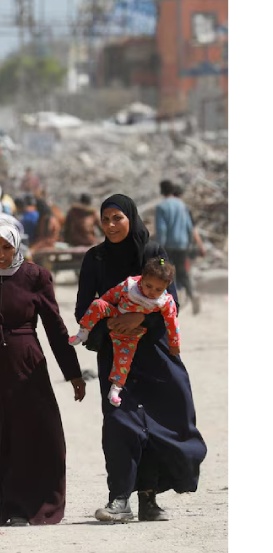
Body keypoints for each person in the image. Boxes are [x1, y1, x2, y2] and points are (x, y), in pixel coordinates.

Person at [0, 218, 86, 526]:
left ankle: (20, 506)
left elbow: (55, 328)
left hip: (24, 365)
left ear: (17, 245)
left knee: (28, 434)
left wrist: (73, 373)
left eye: (7, 247)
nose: (1, 255)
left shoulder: (36, 277)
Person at [75, 194, 206, 522]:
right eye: (105, 219)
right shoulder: (96, 258)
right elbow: (82, 308)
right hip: (116, 354)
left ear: (131, 217)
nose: (110, 225)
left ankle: (149, 497)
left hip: (155, 355)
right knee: (120, 423)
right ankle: (119, 498)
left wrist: (141, 320)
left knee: (163, 420)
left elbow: (170, 300)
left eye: (117, 217)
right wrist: (114, 323)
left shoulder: (153, 253)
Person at [70, 257, 181, 407]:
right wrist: (104, 316)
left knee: (123, 360)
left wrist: (174, 343)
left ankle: (115, 389)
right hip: (115, 316)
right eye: (149, 286)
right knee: (97, 304)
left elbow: (172, 322)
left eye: (158, 289)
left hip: (131, 335)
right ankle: (83, 332)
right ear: (142, 278)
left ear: (166, 286)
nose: (152, 292)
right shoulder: (130, 286)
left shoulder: (165, 301)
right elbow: (110, 295)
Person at [162, 183, 204, 314]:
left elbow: (162, 229)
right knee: (183, 273)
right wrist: (199, 246)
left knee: (169, 272)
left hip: (169, 246)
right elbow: (192, 229)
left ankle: (175, 299)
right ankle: (191, 294)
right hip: (184, 246)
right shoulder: (184, 208)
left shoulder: (168, 208)